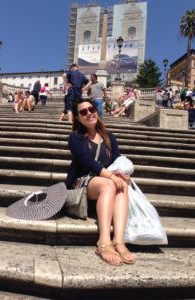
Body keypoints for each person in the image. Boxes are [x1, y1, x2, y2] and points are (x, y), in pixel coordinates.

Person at [66, 98, 136, 266]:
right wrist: (111, 177)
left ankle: (119, 241)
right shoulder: (75, 138)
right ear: (77, 118)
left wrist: (124, 176)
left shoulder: (109, 137)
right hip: (81, 184)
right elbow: (87, 163)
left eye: (91, 109)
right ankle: (103, 242)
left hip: (104, 186)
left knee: (121, 184)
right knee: (109, 183)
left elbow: (118, 161)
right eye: (83, 112)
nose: (89, 113)